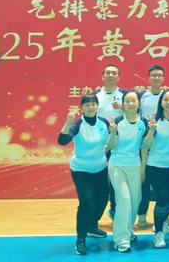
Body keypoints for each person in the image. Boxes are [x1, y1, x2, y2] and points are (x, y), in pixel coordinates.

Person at [57, 93, 114, 256]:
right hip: (81, 171)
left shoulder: (103, 123)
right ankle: (80, 239)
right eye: (87, 104)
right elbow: (62, 141)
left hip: (100, 169)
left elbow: (110, 142)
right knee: (86, 203)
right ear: (81, 108)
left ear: (97, 106)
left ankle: (91, 226)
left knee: (102, 200)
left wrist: (108, 147)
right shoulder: (77, 125)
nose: (90, 107)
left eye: (93, 104)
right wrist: (68, 123)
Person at [107, 90, 150, 253]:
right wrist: (112, 132)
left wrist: (143, 169)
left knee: (134, 201)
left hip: (135, 166)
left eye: (133, 101)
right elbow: (111, 146)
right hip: (117, 165)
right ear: (123, 104)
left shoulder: (144, 123)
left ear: (139, 103)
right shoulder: (118, 122)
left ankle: (128, 230)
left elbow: (145, 147)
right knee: (123, 200)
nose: (130, 104)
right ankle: (121, 239)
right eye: (127, 101)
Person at [143, 89, 169, 248]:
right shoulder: (155, 121)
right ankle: (158, 233)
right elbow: (146, 145)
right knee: (162, 197)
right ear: (161, 102)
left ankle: (162, 221)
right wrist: (152, 129)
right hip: (154, 165)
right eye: (165, 99)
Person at [93, 64, 126, 220]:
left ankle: (114, 210)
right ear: (103, 76)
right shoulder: (95, 96)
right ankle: (94, 216)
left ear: (119, 77)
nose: (111, 75)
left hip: (119, 144)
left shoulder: (124, 95)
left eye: (114, 73)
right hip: (99, 144)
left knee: (116, 180)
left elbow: (134, 115)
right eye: (108, 73)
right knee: (98, 179)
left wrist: (122, 107)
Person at [136, 65, 166, 230]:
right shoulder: (141, 96)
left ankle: (164, 217)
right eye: (153, 75)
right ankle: (142, 216)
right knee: (144, 181)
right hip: (145, 143)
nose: (156, 78)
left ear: (163, 78)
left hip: (164, 145)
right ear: (148, 78)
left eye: (159, 75)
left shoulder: (167, 96)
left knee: (163, 182)